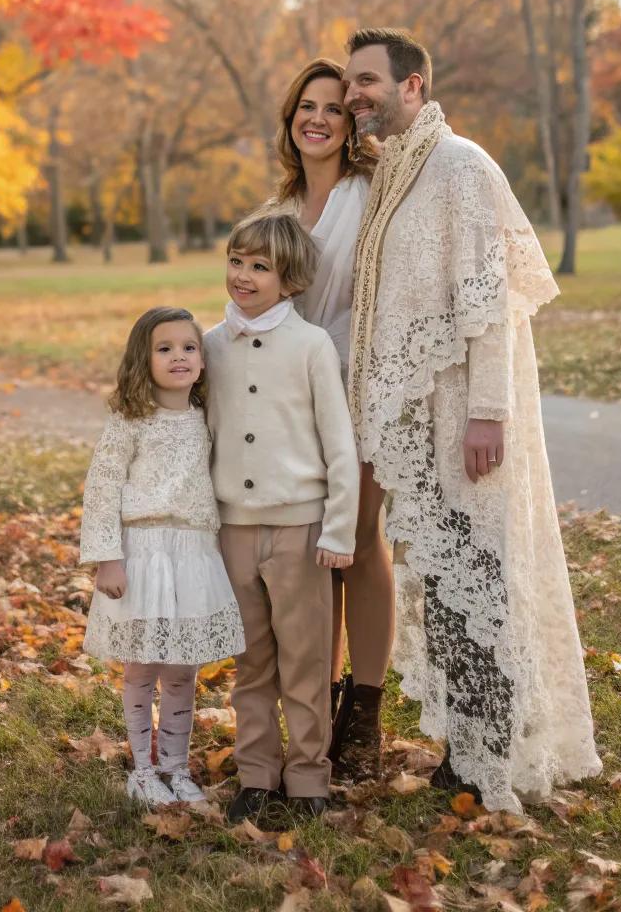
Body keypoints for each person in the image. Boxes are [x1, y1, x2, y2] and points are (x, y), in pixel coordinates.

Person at [341, 26, 600, 811]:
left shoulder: (461, 165)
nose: (353, 95)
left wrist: (488, 412)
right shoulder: (395, 170)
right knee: (444, 576)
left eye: (366, 81)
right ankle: (467, 752)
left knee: (474, 574)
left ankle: (488, 762)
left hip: (460, 412)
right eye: (349, 83)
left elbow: (492, 302)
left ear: (412, 86)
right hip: (413, 415)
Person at [206, 211, 360, 824]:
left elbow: (339, 444)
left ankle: (309, 777)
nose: (242, 275)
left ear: (289, 280)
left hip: (301, 531)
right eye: (236, 261)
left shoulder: (311, 346)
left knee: (305, 660)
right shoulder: (210, 345)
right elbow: (203, 436)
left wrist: (339, 528)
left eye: (260, 267)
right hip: (233, 530)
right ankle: (256, 774)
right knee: (250, 661)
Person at [271, 60, 392, 772]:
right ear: (291, 118)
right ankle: (318, 708)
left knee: (361, 540)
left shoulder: (371, 193)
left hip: (363, 385)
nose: (317, 119)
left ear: (350, 124)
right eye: (306, 107)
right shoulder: (278, 209)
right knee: (316, 551)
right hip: (294, 397)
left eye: (333, 109)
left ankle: (366, 711)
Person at [80, 306, 245, 808]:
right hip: (143, 552)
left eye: (189, 347)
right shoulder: (130, 421)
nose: (179, 357)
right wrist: (106, 557)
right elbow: (102, 488)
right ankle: (143, 769)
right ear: (143, 359)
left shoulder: (206, 418)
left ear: (203, 359)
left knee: (181, 670)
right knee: (142, 666)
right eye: (165, 348)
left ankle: (175, 766)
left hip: (193, 553)